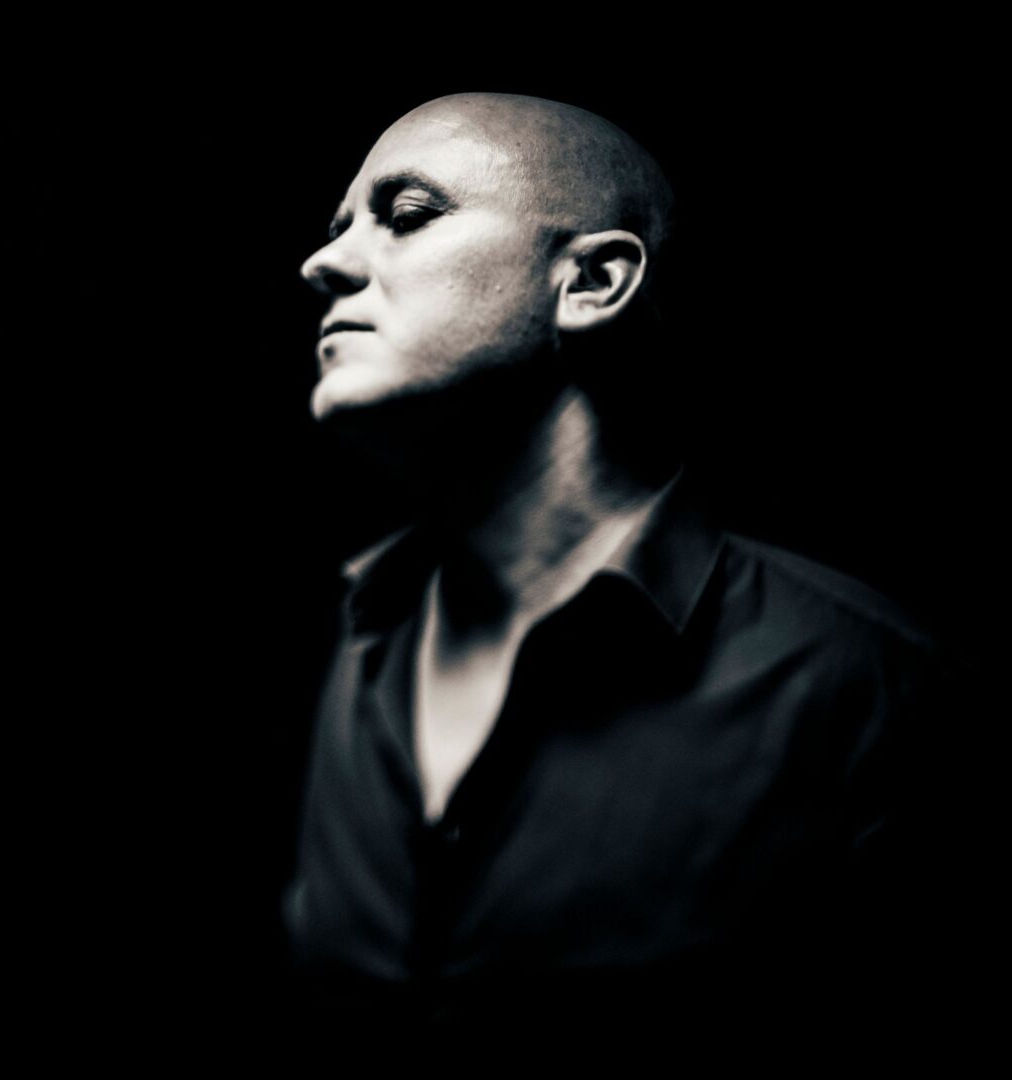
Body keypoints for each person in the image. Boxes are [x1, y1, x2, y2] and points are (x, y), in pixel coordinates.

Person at [280, 92, 957, 1046]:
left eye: (407, 214)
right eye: (339, 228)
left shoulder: (865, 689)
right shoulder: (359, 650)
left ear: (594, 281)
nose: (324, 264)